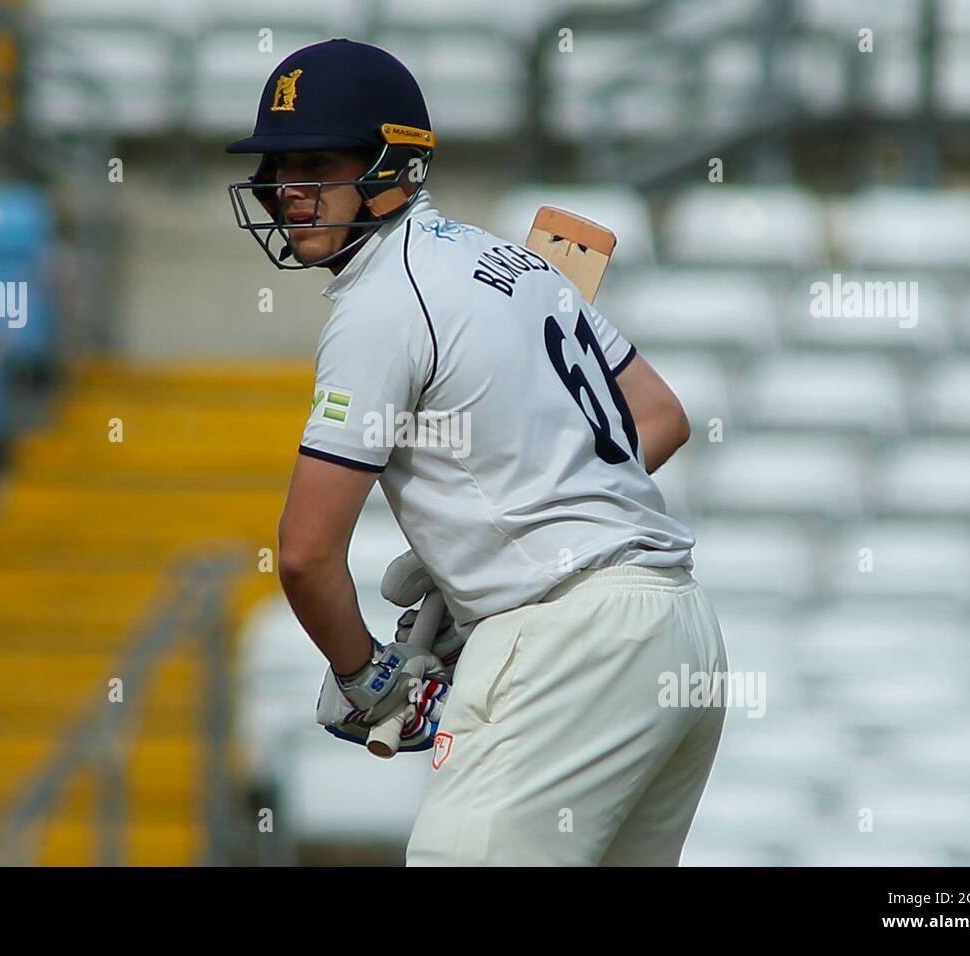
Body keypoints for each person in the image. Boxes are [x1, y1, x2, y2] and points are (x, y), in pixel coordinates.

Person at [227, 38, 728, 866]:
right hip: (677, 629)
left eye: (315, 164)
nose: (290, 193)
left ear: (392, 165)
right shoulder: (514, 264)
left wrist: (369, 682)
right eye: (280, 170)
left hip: (568, 645)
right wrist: (517, 534)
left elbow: (306, 556)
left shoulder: (380, 301)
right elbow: (660, 417)